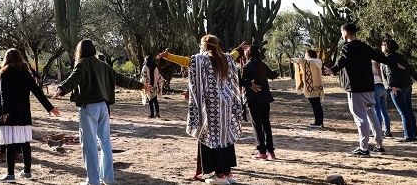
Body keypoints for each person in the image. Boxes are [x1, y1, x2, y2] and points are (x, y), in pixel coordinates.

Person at [54, 39, 147, 185]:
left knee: (89, 144)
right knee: (105, 143)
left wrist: (61, 89)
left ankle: (93, 181)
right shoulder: (103, 65)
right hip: (103, 107)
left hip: (88, 108)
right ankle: (108, 178)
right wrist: (141, 85)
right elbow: (121, 79)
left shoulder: (83, 64)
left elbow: (73, 79)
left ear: (80, 51)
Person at [157, 42, 245, 183]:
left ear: (205, 46)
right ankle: (228, 174)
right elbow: (234, 54)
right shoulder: (226, 58)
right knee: (226, 138)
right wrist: (239, 49)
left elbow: (185, 61)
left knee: (212, 140)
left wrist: (168, 56)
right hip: (226, 106)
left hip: (211, 107)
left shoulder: (201, 59)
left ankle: (219, 176)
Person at [324, 23, 403, 156]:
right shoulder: (364, 46)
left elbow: (343, 60)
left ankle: (364, 148)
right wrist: (394, 63)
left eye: (342, 32)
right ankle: (379, 145)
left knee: (360, 118)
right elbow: (379, 57)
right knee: (372, 115)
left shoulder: (347, 47)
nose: (341, 35)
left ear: (346, 33)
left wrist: (333, 69)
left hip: (355, 89)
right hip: (369, 87)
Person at [0, 49, 60, 183]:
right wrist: (49, 107)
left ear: (6, 58)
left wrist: (4, 112)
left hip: (10, 114)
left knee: (10, 143)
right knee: (25, 143)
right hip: (24, 114)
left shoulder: (4, 73)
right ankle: (27, 172)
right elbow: (37, 91)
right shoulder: (25, 73)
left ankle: (10, 174)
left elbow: (3, 95)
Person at [241, 45, 275, 160]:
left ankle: (262, 152)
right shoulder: (263, 65)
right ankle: (271, 151)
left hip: (253, 98)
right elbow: (272, 74)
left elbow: (241, 81)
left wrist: (250, 84)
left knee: (257, 124)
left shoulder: (247, 66)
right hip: (265, 97)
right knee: (266, 123)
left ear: (248, 54)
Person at [381, 38, 416, 142]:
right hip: (407, 85)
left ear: (387, 46)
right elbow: (410, 68)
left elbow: (390, 73)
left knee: (403, 112)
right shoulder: (400, 56)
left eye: (382, 45)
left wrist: (392, 86)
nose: (381, 47)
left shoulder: (388, 58)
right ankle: (413, 133)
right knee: (409, 111)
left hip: (397, 87)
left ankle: (408, 136)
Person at [291, 49, 325, 128]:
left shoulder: (309, 62)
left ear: (309, 54)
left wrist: (291, 59)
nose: (305, 55)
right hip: (317, 88)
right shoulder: (317, 62)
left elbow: (299, 61)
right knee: (318, 105)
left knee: (315, 106)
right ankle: (320, 122)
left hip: (311, 88)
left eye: (305, 53)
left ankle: (318, 123)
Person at [372, 59, 392, 137]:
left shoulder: (371, 63)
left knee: (377, 110)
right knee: (384, 110)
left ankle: (378, 131)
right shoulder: (381, 63)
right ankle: (387, 131)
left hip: (375, 86)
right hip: (383, 87)